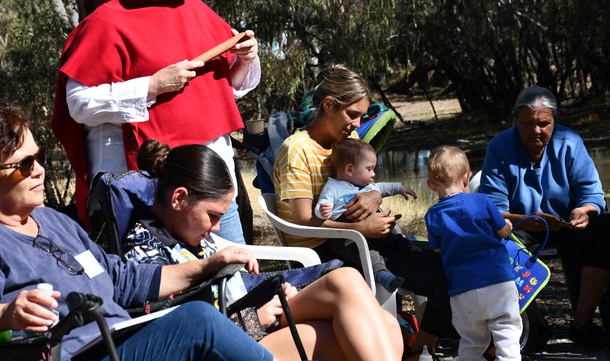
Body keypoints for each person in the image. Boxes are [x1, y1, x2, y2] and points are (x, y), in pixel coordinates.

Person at [0, 102, 272, 361]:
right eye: (24, 164)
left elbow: (119, 279)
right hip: (71, 354)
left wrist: (209, 264)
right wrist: (4, 315)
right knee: (200, 323)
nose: (39, 170)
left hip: (119, 342)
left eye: (38, 158)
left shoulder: (53, 221)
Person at [52, 0, 259, 243]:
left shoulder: (198, 12)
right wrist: (152, 85)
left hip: (214, 185)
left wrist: (247, 57)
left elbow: (230, 90)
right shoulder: (104, 22)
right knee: (163, 289)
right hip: (146, 192)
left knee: (232, 283)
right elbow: (79, 105)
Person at [123, 139, 403, 361]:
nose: (218, 228)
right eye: (213, 216)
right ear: (179, 198)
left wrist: (268, 301)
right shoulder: (144, 254)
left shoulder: (187, 232)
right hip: (229, 341)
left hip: (253, 318)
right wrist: (255, 318)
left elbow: (227, 294)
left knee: (376, 312)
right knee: (366, 324)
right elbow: (182, 338)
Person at [272, 65, 456, 356]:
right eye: (352, 114)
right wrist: (360, 229)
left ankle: (424, 344)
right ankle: (481, 342)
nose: (357, 124)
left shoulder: (344, 145)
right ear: (329, 105)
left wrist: (372, 195)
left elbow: (362, 183)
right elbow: (303, 219)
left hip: (369, 240)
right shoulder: (297, 150)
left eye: (360, 116)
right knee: (436, 275)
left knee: (447, 268)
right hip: (332, 249)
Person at [478, 85, 610, 346]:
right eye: (528, 124)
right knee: (489, 241)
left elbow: (593, 195)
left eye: (543, 124)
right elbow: (493, 209)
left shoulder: (570, 143)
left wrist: (584, 211)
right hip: (521, 228)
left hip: (567, 225)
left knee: (606, 228)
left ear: (553, 122)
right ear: (516, 120)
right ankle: (534, 325)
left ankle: (582, 324)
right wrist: (525, 221)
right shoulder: (500, 147)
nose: (536, 131)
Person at [425, 146, 522, 361]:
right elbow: (503, 231)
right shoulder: (483, 201)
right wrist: (507, 225)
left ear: (431, 185)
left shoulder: (433, 215)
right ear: (467, 178)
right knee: (507, 332)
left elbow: (437, 248)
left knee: (471, 341)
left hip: (461, 289)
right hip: (497, 281)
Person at [314, 138, 417, 293]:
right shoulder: (333, 187)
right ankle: (384, 277)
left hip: (376, 232)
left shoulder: (368, 187)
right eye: (370, 169)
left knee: (396, 240)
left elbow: (385, 187)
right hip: (346, 238)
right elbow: (323, 203)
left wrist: (400, 188)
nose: (374, 174)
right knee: (368, 253)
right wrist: (323, 209)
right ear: (350, 169)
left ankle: (415, 254)